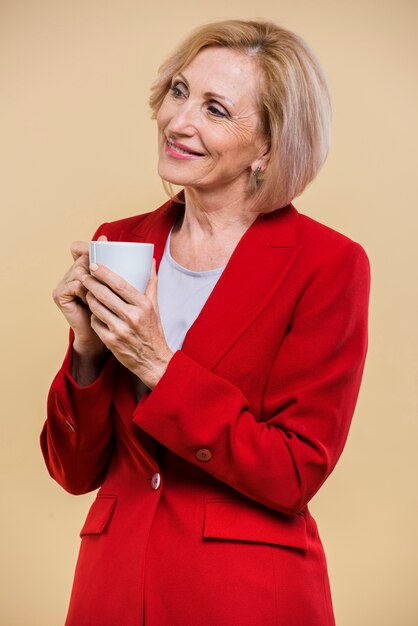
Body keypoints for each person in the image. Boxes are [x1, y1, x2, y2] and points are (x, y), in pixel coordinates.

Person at [41, 19, 370, 626]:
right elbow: (74, 471)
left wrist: (157, 366)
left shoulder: (328, 264)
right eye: (178, 91)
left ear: (271, 147)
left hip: (245, 594)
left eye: (215, 109)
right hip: (110, 591)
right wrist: (86, 355)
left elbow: (294, 471)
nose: (179, 121)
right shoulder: (120, 242)